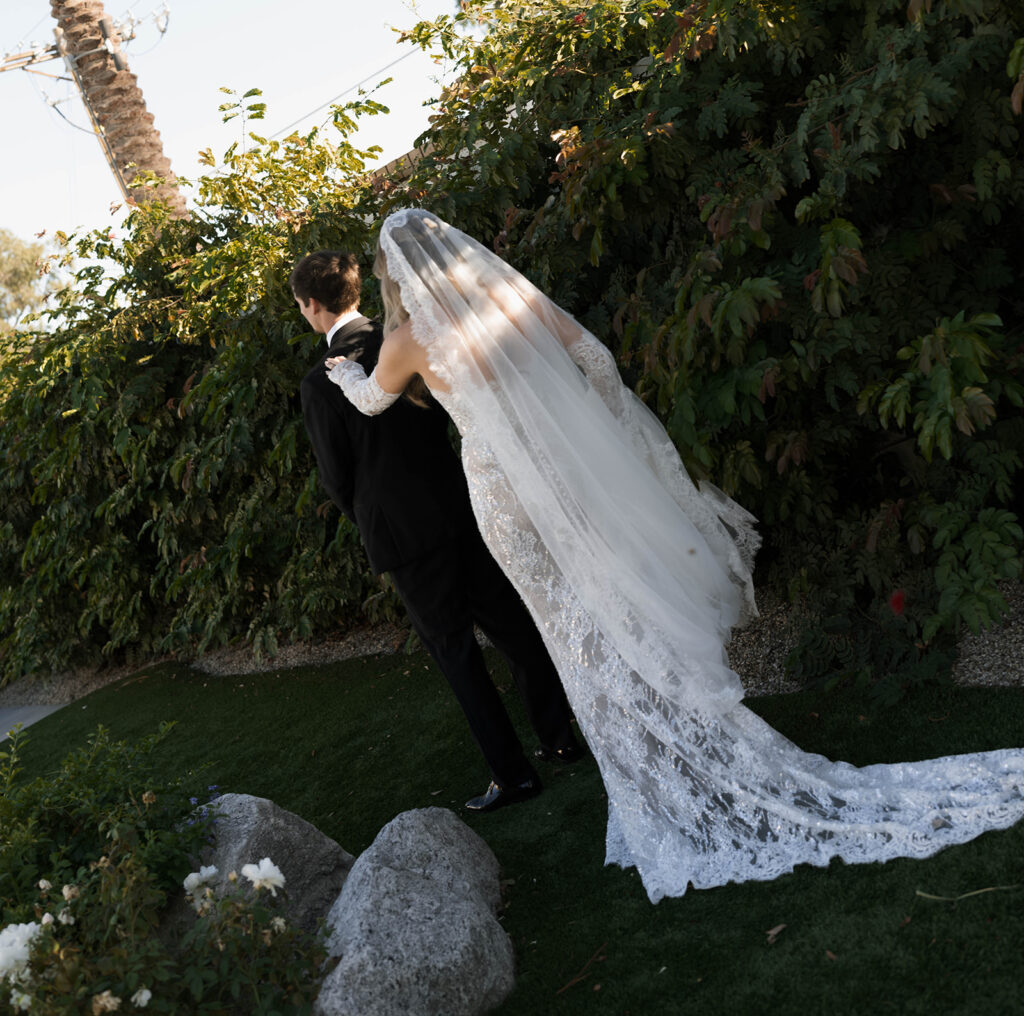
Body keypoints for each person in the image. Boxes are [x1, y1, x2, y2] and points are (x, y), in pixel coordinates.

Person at [324, 209, 1024, 903]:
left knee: (572, 631)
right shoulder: (510, 301)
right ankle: (663, 753)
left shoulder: (411, 339)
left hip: (505, 497)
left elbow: (371, 405)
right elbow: (596, 360)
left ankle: (649, 782)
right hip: (571, 476)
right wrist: (603, 438)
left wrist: (340, 378)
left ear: (398, 272)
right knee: (612, 604)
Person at [291, 250, 581, 813]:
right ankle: (561, 737)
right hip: (462, 504)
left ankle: (512, 776)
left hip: (402, 535)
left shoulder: (320, 381)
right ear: (355, 291)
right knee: (513, 626)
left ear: (312, 306)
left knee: (455, 653)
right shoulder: (409, 335)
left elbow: (336, 478)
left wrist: (372, 520)